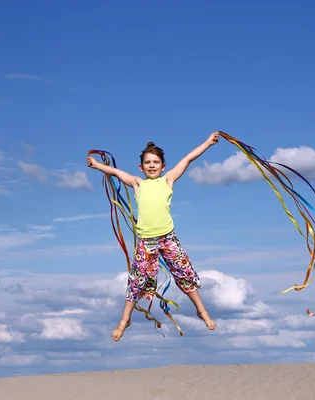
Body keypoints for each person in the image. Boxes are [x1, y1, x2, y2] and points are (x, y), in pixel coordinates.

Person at [87, 131, 220, 341]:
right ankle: (125, 320)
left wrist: (207, 143)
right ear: (141, 167)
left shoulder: (168, 180)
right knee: (137, 280)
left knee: (185, 273)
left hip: (168, 238)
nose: (151, 165)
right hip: (146, 242)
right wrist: (97, 166)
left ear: (163, 166)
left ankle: (201, 311)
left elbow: (188, 158)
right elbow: (115, 172)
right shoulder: (138, 183)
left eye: (156, 162)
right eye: (147, 162)